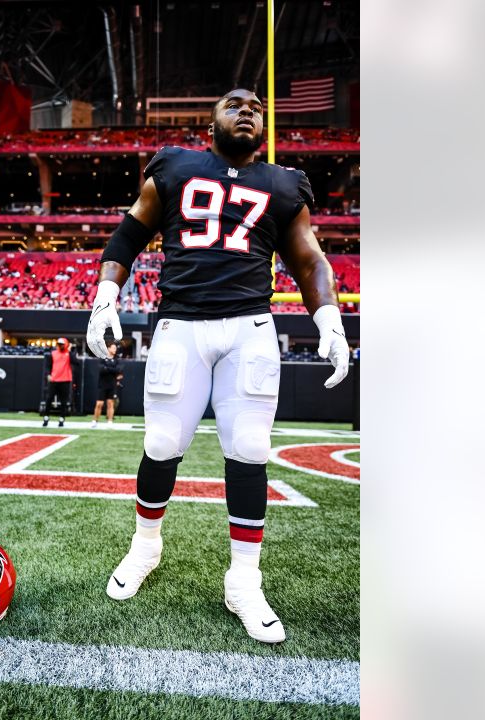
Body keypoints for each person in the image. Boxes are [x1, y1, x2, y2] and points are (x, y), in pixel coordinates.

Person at [84, 88, 352, 644]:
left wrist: (328, 317)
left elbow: (307, 257)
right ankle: (145, 547)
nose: (248, 108)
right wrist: (106, 294)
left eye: (256, 104)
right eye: (234, 103)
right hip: (180, 326)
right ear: (211, 122)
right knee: (161, 445)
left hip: (250, 329)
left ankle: (244, 581)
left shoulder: (282, 184)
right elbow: (130, 234)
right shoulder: (177, 166)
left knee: (250, 451)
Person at [42, 337, 73, 428]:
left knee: (64, 401)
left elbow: (76, 362)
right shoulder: (53, 353)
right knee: (49, 399)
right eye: (59, 344)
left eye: (62, 344)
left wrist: (70, 351)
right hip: (54, 380)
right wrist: (48, 374)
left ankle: (61, 419)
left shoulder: (69, 354)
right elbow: (48, 366)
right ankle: (46, 417)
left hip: (65, 380)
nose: (60, 346)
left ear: (66, 344)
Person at [90, 341, 123, 428]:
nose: (115, 350)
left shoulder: (117, 359)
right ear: (108, 348)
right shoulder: (102, 358)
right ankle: (95, 421)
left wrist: (108, 368)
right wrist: (112, 369)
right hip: (102, 385)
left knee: (110, 403)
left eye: (115, 348)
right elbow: (101, 369)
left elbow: (118, 370)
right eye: (113, 348)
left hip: (112, 385)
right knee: (99, 404)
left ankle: (110, 421)